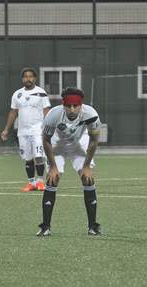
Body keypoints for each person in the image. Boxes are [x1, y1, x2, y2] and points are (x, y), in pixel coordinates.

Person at [37, 87, 102, 236]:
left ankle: (93, 226)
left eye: (75, 106)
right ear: (63, 104)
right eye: (68, 106)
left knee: (88, 179)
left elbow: (94, 140)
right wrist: (53, 166)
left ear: (81, 105)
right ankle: (45, 227)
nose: (72, 109)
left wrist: (86, 166)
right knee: (53, 179)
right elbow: (46, 140)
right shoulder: (53, 115)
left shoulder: (91, 114)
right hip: (56, 145)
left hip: (78, 144)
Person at [1, 68, 50, 192]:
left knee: (38, 156)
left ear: (35, 78)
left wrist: (49, 129)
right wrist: (6, 129)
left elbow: (47, 112)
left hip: (38, 130)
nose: (28, 79)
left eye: (30, 76)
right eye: (25, 77)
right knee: (28, 158)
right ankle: (31, 183)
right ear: (22, 79)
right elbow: (13, 112)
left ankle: (40, 182)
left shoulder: (41, 92)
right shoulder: (17, 94)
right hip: (23, 131)